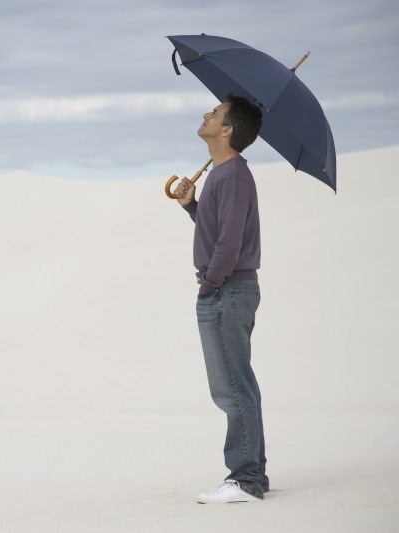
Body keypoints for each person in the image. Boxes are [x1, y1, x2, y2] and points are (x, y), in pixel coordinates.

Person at [173, 93, 268, 503]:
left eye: (215, 113)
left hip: (226, 290)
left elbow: (229, 244)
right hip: (226, 288)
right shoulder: (223, 175)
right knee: (236, 383)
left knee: (231, 386)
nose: (206, 114)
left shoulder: (230, 176)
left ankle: (246, 480)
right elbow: (218, 230)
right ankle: (252, 474)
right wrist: (191, 205)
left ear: (227, 130)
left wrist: (210, 284)